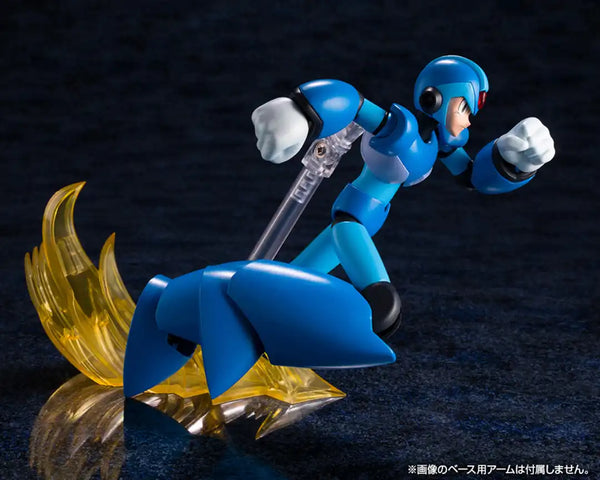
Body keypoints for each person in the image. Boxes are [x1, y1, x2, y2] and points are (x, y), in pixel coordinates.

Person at [251, 55, 555, 339]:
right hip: (352, 214)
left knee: (293, 279)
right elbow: (354, 104)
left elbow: (473, 178)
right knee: (349, 240)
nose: (468, 121)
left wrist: (514, 161)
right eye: (463, 109)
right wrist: (300, 110)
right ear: (434, 99)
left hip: (370, 217)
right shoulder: (400, 129)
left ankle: (265, 305)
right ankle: (376, 298)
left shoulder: (440, 145)